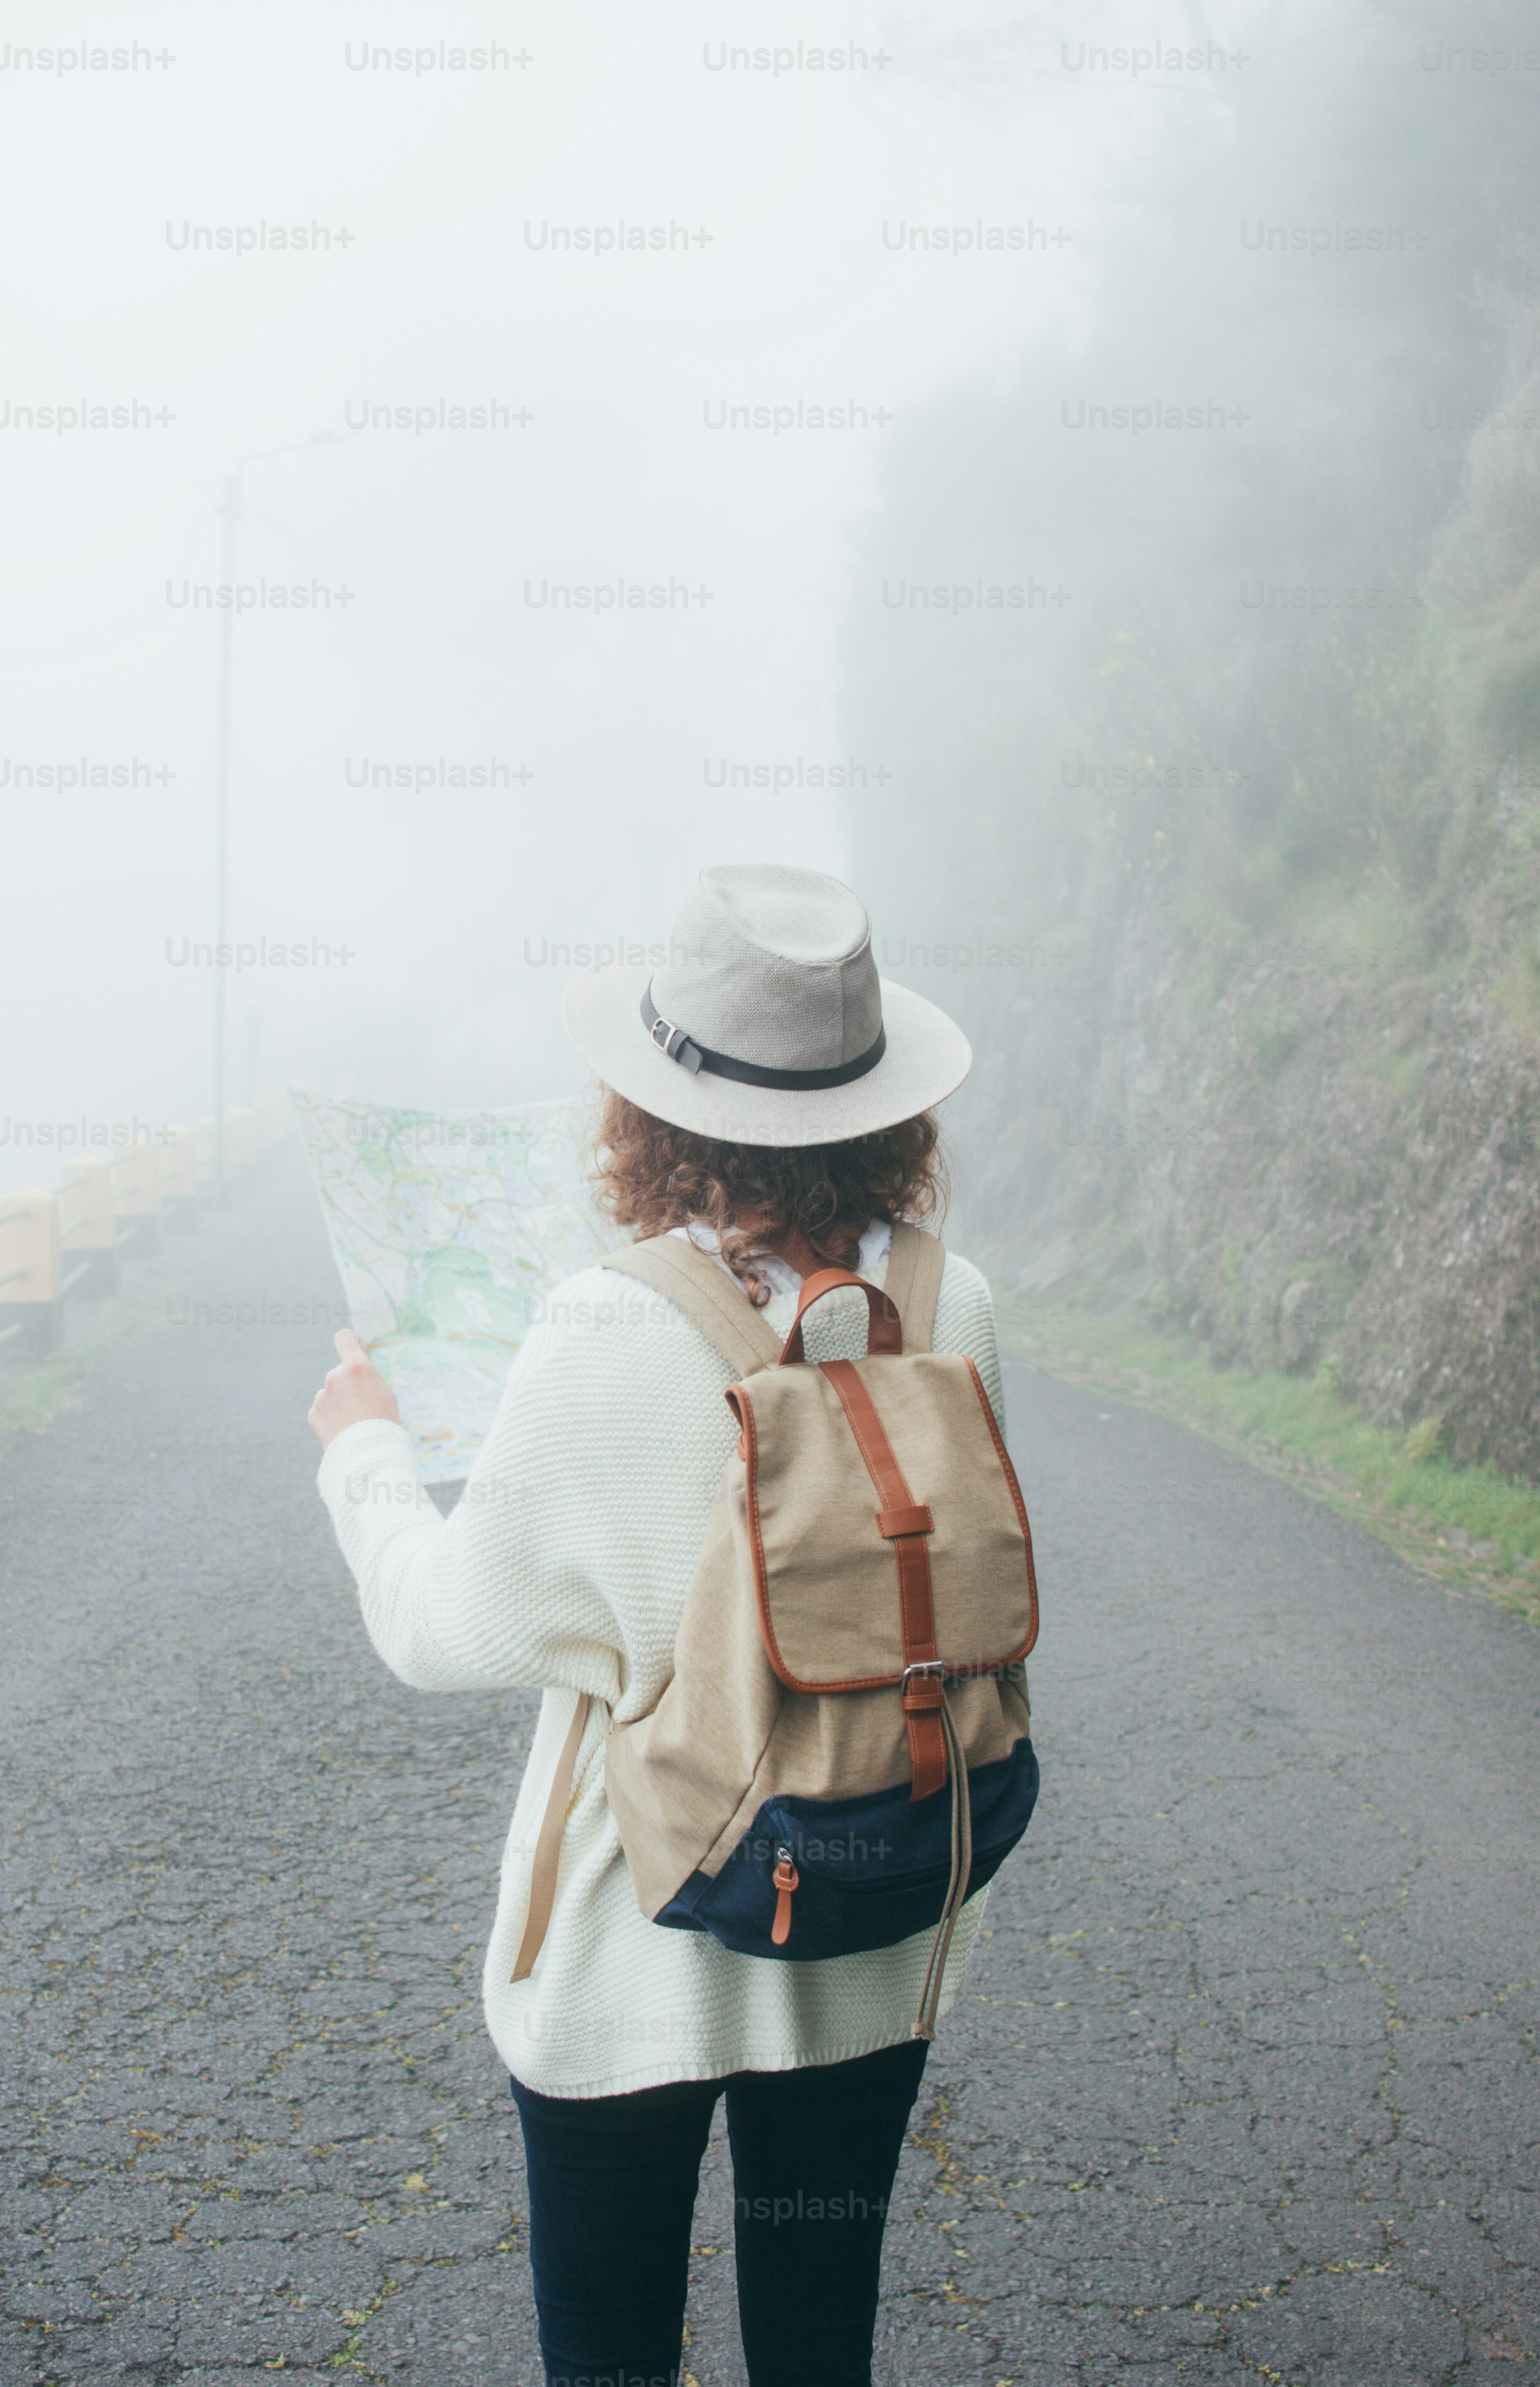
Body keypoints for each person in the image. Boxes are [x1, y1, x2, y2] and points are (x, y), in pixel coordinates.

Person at [307, 863, 1005, 2387]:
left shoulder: (606, 1326)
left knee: (612, 2358)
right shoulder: (958, 1309)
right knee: (821, 2346)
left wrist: (363, 1451)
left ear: (655, 1113)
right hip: (872, 1921)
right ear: (883, 1101)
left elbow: (447, 1631)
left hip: (639, 1956)